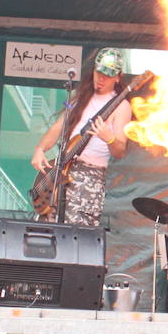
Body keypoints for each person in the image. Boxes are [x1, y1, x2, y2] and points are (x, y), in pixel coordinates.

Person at [30, 47, 132, 227]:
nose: (101, 78)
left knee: (78, 233)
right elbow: (57, 128)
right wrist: (39, 149)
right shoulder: (80, 98)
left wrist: (108, 138)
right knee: (49, 230)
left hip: (89, 176)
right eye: (98, 72)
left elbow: (120, 150)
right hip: (62, 170)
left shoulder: (121, 106)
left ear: (118, 77)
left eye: (107, 75)